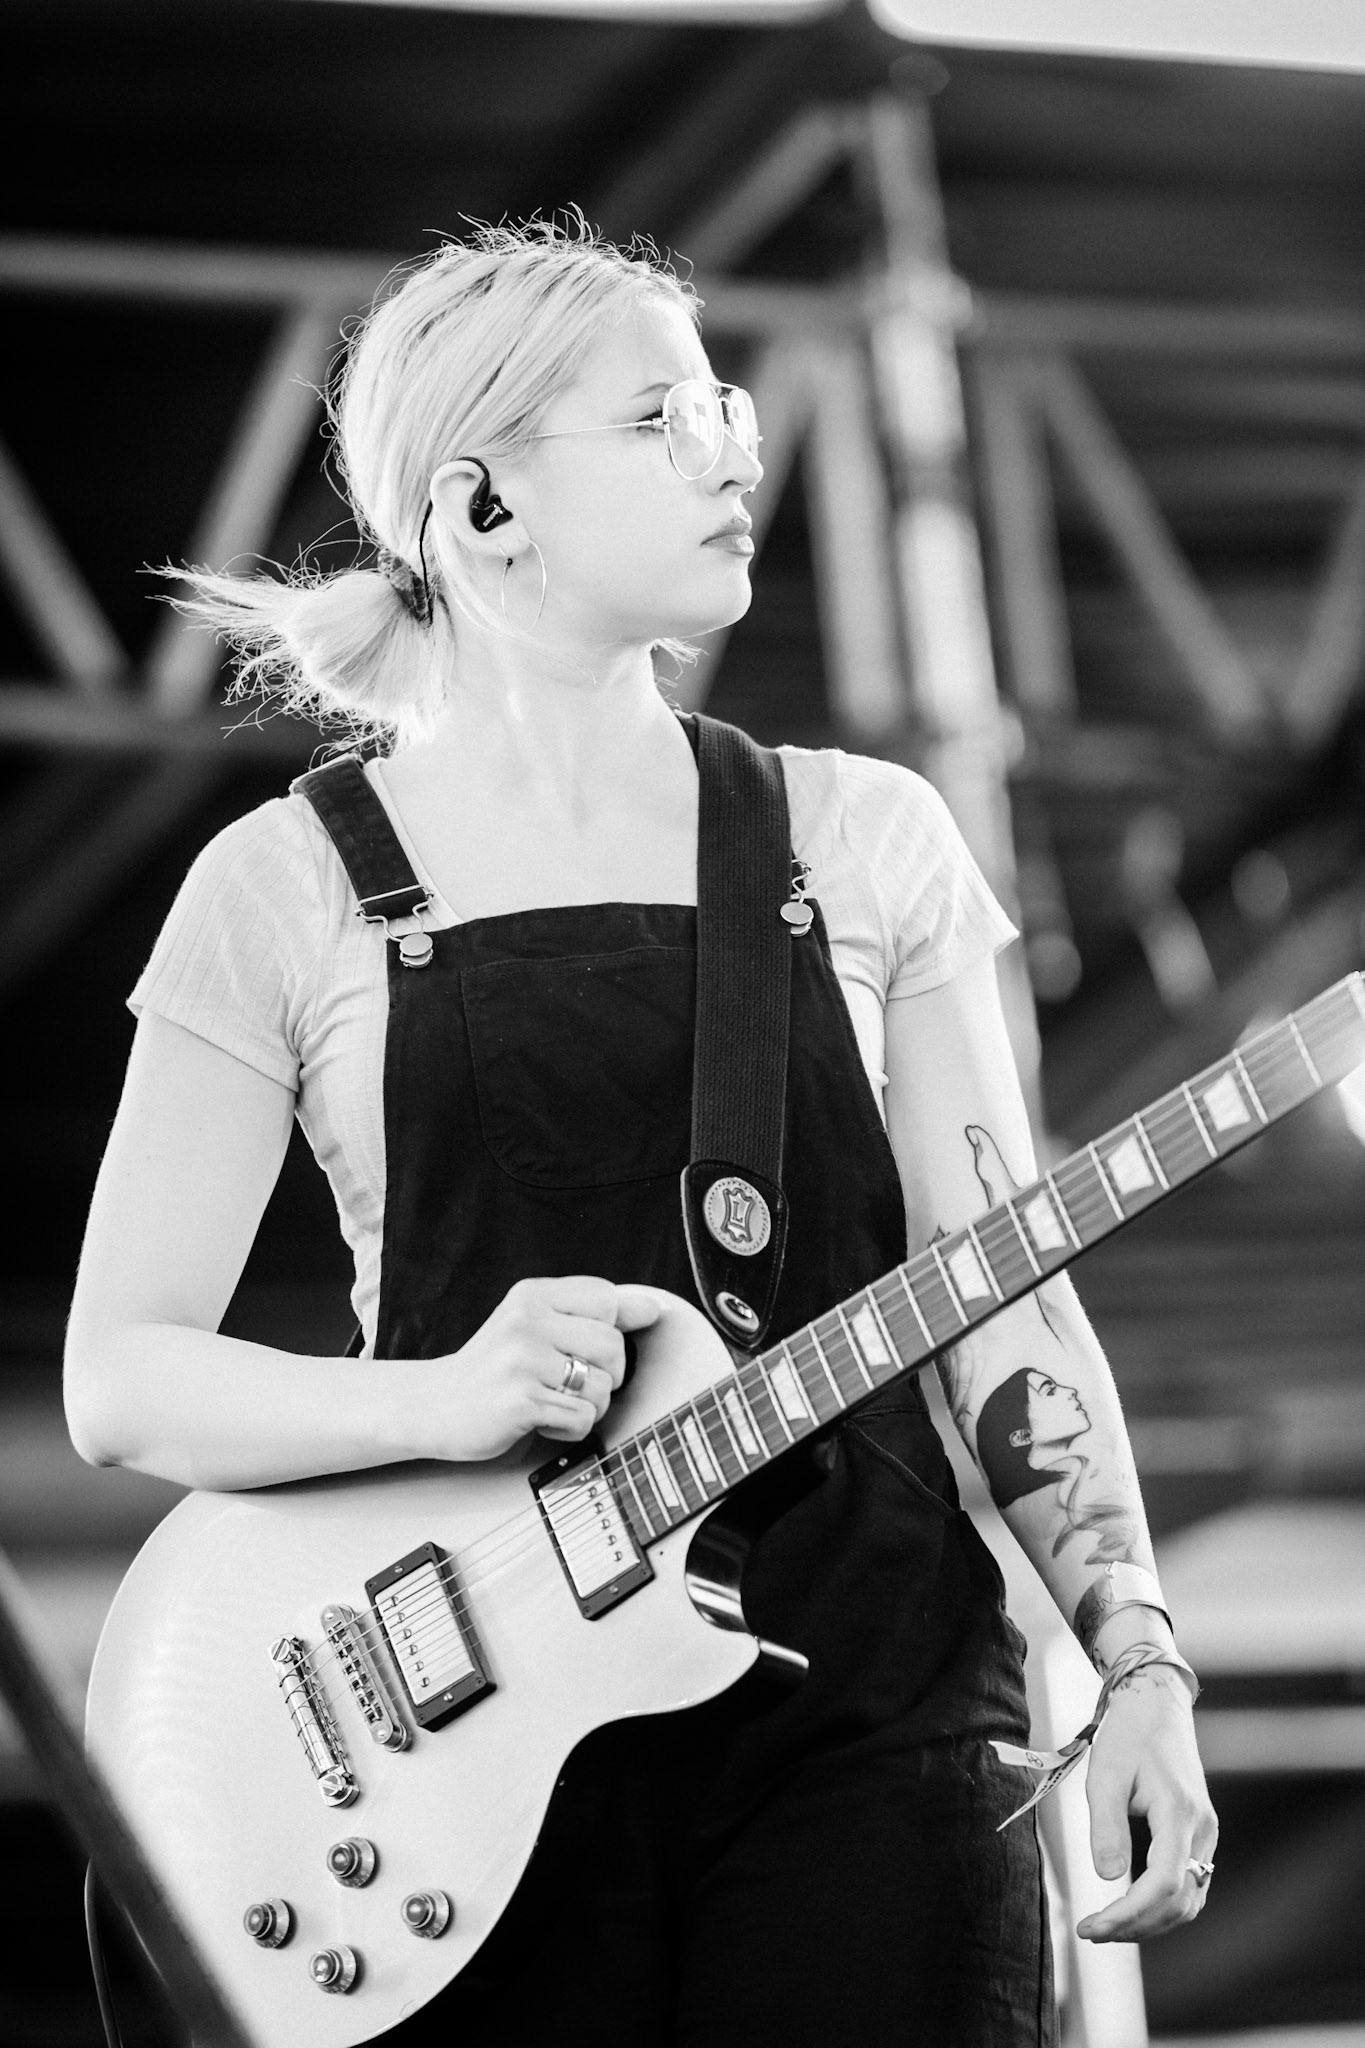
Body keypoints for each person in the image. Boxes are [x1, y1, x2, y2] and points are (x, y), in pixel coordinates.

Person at [64, 218, 1216, 2047]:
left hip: (878, 1716)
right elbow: (121, 1382)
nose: (732, 455)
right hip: (475, 1751)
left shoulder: (870, 837)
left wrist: (1135, 1652)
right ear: (483, 506)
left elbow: (1007, 1293)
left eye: (726, 410)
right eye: (664, 419)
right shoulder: (279, 889)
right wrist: (442, 1398)